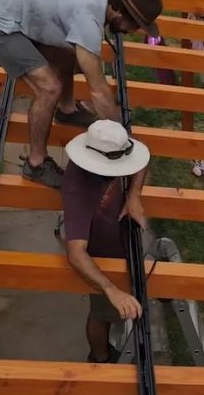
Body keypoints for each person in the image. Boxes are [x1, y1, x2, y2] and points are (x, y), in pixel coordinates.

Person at [0, 0, 163, 189]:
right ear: (120, 11)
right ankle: (36, 164)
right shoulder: (88, 18)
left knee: (74, 51)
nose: (133, 31)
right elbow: (98, 91)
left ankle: (66, 110)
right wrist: (120, 139)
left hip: (10, 3)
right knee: (49, 88)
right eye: (135, 25)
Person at [61, 119, 150, 363]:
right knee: (101, 314)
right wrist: (112, 290)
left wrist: (133, 195)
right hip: (100, 258)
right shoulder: (77, 189)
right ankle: (100, 358)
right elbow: (76, 253)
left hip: (120, 241)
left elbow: (143, 158)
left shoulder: (111, 148)